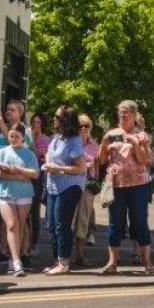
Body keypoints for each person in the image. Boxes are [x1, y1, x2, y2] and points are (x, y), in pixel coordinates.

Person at [98, 101, 154, 275]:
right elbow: (101, 160)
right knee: (115, 224)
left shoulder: (141, 135)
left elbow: (145, 161)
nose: (123, 116)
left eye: (126, 113)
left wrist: (135, 144)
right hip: (117, 185)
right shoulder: (111, 134)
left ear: (133, 115)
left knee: (139, 223)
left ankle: (147, 263)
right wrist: (104, 145)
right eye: (121, 113)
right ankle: (112, 262)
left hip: (138, 186)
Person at [41, 106, 87, 275]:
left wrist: (57, 168)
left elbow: (81, 168)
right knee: (52, 225)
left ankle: (64, 262)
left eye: (57, 116)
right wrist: (48, 163)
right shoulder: (56, 138)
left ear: (65, 120)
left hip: (69, 186)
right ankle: (57, 261)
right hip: (54, 186)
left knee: (62, 225)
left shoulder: (74, 141)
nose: (54, 119)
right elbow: (49, 153)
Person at [0, 122, 38, 277]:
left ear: (23, 137)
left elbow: (35, 173)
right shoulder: (3, 152)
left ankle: (16, 257)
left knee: (20, 224)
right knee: (11, 225)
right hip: (5, 192)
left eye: (16, 136)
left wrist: (18, 170)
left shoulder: (29, 154)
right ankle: (16, 261)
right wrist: (20, 177)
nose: (12, 139)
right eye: (10, 136)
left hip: (24, 195)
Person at [73, 114, 101, 267]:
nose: (83, 129)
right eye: (80, 126)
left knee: (83, 221)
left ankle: (80, 255)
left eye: (86, 126)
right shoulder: (72, 143)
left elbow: (97, 165)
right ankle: (63, 256)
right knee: (68, 221)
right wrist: (86, 165)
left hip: (87, 187)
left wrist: (94, 174)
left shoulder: (94, 145)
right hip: (71, 184)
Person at [30, 111, 51, 249]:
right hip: (25, 176)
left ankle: (35, 243)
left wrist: (33, 145)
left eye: (38, 122)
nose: (35, 125)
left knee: (35, 211)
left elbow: (42, 157)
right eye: (34, 122)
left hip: (38, 178)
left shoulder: (45, 139)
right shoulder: (26, 136)